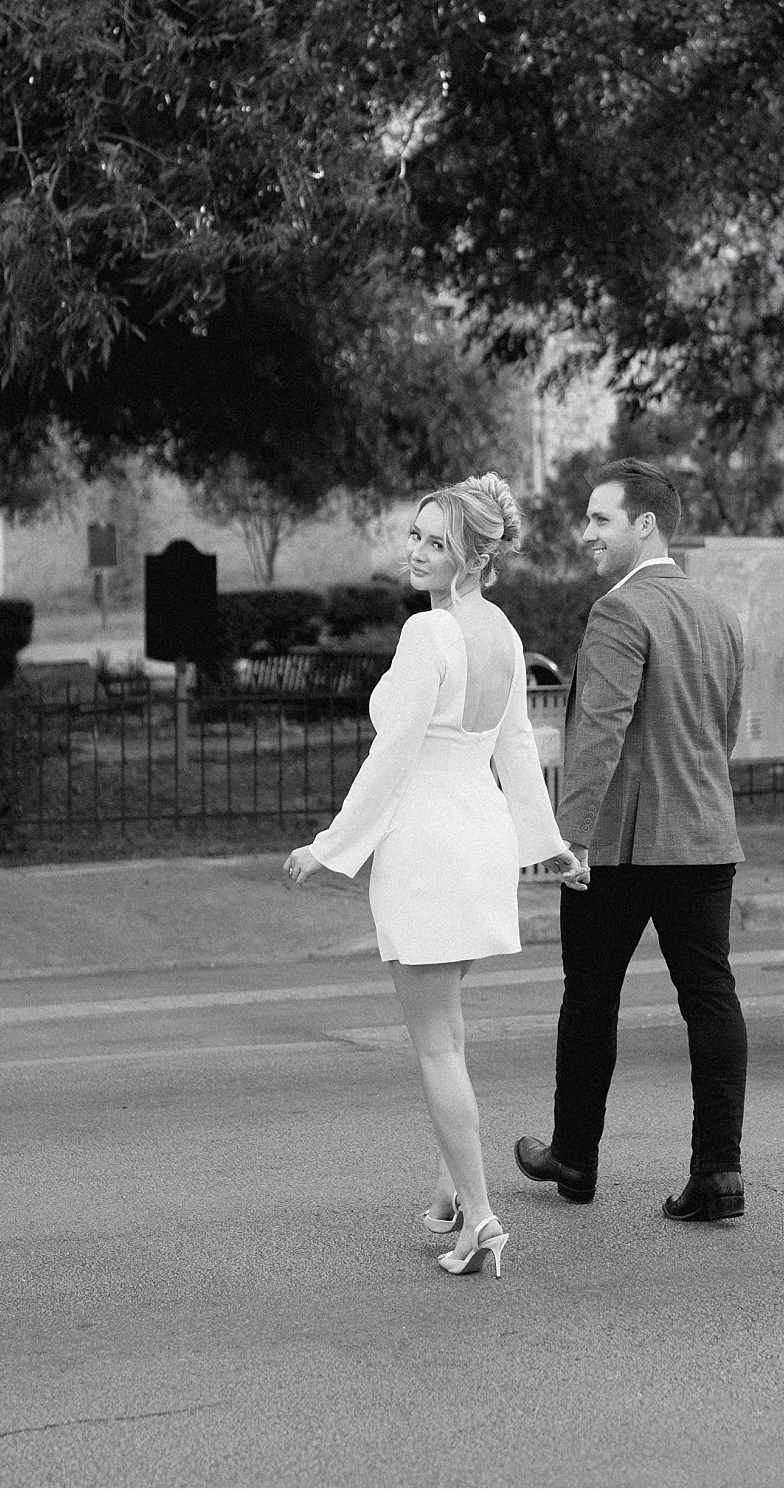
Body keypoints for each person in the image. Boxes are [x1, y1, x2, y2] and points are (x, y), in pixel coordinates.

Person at [284, 473, 587, 1278]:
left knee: (435, 1047)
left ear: (475, 556)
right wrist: (543, 841)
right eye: (415, 536)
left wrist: (331, 844)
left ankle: (480, 1218)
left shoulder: (431, 637)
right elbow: (516, 747)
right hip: (479, 838)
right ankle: (453, 1191)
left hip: (426, 845)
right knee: (449, 1032)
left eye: (436, 543)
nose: (415, 552)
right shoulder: (505, 634)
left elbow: (393, 756)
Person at [514, 457, 750, 1223]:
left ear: (644, 523)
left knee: (589, 997)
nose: (586, 532)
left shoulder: (620, 611)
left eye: (599, 518)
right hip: (706, 836)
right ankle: (718, 1173)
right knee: (711, 1000)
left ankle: (574, 1157)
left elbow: (597, 734)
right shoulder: (717, 613)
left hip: (621, 845)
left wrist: (567, 838)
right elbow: (724, 731)